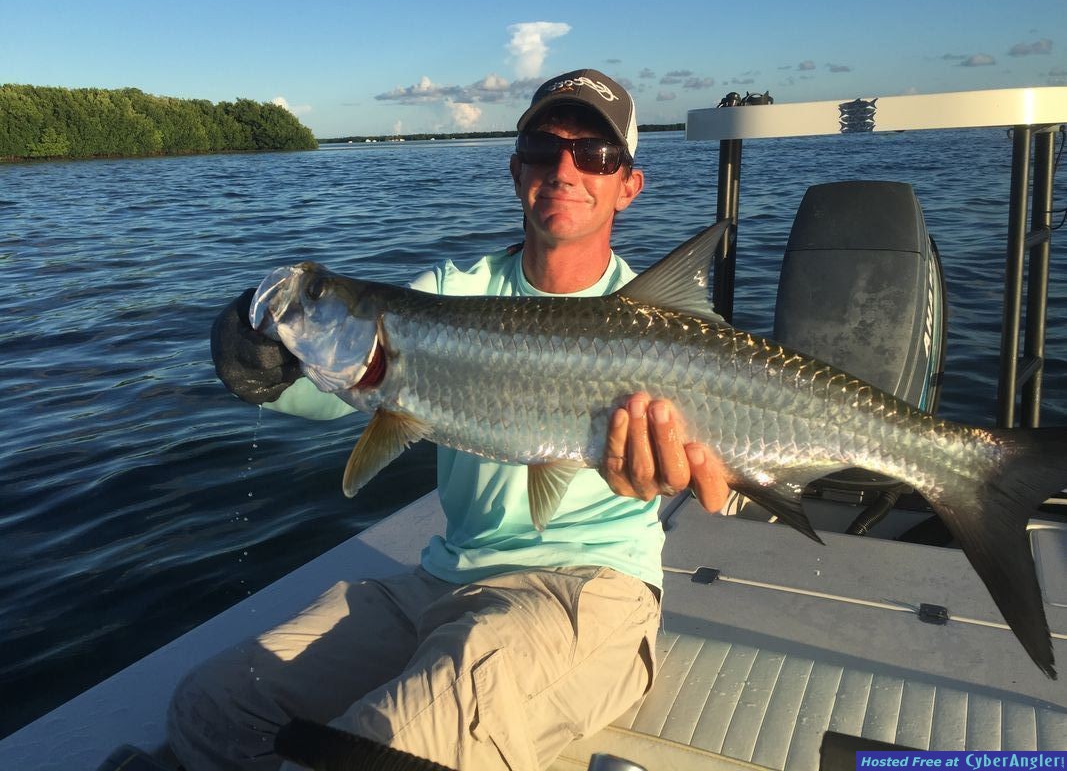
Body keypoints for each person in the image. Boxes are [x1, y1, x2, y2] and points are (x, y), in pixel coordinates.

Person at [168, 68, 729, 771]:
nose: (564, 168)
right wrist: (257, 361)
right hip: (438, 582)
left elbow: (716, 485)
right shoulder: (447, 292)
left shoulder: (669, 332)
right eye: (540, 148)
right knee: (212, 708)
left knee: (377, 753)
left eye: (594, 154)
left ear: (628, 184)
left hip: (589, 588)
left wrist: (701, 476)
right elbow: (325, 391)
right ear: (514, 167)